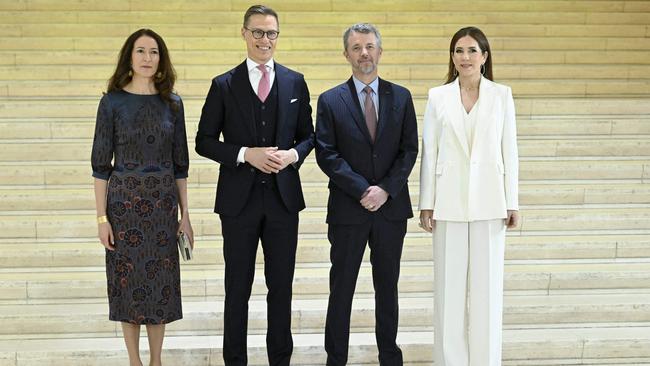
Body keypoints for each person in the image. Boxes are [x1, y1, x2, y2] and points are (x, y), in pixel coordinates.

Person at [194, 4, 314, 365]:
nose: (265, 39)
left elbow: (309, 136)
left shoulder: (295, 82)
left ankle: (280, 360)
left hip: (283, 201)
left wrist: (292, 156)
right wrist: (246, 153)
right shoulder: (223, 84)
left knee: (282, 289)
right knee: (237, 289)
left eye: (271, 33)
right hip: (238, 203)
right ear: (244, 33)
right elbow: (203, 140)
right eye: (258, 32)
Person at [315, 23, 418, 366]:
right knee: (341, 289)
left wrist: (386, 189)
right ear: (346, 54)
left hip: (390, 211)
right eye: (356, 47)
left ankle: (390, 357)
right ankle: (336, 359)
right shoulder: (330, 100)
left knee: (387, 288)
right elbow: (327, 154)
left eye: (370, 46)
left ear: (380, 51)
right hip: (349, 209)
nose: (364, 53)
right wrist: (363, 190)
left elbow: (409, 150)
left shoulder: (401, 97)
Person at [418, 26, 519, 366]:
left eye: (472, 50)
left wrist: (512, 200)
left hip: (491, 203)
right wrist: (426, 203)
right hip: (448, 204)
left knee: (487, 293)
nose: (465, 57)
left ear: (485, 56)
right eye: (459, 51)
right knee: (449, 292)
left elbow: (510, 150)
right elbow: (429, 151)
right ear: (452, 57)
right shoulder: (437, 97)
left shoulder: (502, 95)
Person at [91, 28, 193, 366]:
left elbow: (181, 166)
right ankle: (134, 360)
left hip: (163, 208)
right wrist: (102, 218)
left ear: (161, 59)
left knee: (160, 284)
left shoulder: (173, 103)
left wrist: (186, 215)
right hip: (123, 208)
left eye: (154, 52)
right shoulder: (112, 102)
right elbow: (100, 166)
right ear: (129, 57)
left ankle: (156, 360)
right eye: (141, 51)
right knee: (128, 284)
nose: (148, 58)